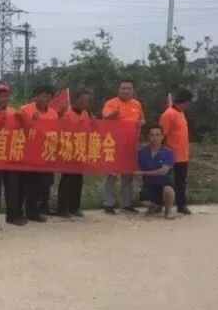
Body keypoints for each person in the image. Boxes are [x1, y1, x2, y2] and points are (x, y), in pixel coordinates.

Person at [0, 83, 26, 227]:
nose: (3, 98)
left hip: (11, 156)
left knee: (13, 187)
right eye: (0, 96)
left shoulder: (13, 113)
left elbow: (24, 131)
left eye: (6, 96)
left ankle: (12, 216)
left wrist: (24, 120)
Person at [102, 79, 145, 214]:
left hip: (130, 145)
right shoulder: (111, 103)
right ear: (118, 90)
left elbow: (142, 119)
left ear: (133, 91)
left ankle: (125, 204)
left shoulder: (136, 104)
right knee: (111, 175)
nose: (126, 91)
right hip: (113, 145)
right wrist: (114, 114)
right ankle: (108, 204)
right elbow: (105, 117)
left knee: (127, 176)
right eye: (123, 88)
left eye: (128, 88)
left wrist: (141, 123)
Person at [19, 85, 59, 222]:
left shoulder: (53, 113)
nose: (46, 99)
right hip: (29, 153)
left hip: (46, 152)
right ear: (36, 96)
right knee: (30, 183)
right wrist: (32, 121)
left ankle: (36, 208)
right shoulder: (25, 109)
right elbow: (18, 129)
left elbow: (55, 131)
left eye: (49, 97)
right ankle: (27, 211)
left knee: (44, 183)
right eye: (43, 96)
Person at [57, 89, 92, 218]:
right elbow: (61, 129)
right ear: (76, 100)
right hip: (67, 150)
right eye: (83, 100)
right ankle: (63, 208)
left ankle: (74, 207)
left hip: (80, 151)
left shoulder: (85, 114)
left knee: (78, 180)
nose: (85, 103)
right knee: (67, 180)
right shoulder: (67, 113)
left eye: (87, 101)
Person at [159, 88, 192, 215]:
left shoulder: (181, 113)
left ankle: (181, 205)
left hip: (183, 155)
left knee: (181, 182)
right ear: (185, 102)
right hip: (170, 155)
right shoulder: (168, 114)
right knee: (166, 182)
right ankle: (160, 204)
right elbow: (161, 135)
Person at [135, 125, 176, 220]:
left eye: (158, 135)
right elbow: (136, 167)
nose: (155, 138)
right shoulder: (142, 152)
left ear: (162, 136)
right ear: (148, 137)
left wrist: (143, 173)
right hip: (149, 185)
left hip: (163, 185)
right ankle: (156, 205)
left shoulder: (168, 152)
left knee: (168, 190)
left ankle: (168, 212)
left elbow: (163, 171)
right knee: (144, 202)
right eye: (152, 135)